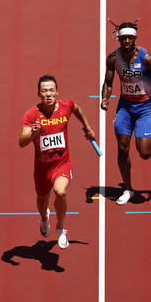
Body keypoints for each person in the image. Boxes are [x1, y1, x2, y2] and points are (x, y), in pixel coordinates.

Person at [19, 75, 96, 249]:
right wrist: (34, 133)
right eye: (44, 91)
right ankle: (44, 217)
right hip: (41, 168)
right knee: (42, 200)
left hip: (62, 164)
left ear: (57, 92)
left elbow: (76, 109)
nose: (48, 94)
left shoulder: (65, 106)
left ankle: (61, 228)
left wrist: (88, 127)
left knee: (60, 192)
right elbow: (21, 142)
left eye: (51, 90)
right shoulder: (31, 115)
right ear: (39, 93)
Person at [101, 21, 151, 205]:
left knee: (145, 153)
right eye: (123, 37)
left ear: (135, 38)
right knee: (122, 149)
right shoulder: (113, 58)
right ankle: (127, 189)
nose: (126, 40)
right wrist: (105, 98)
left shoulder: (147, 58)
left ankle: (144, 131)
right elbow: (108, 82)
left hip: (144, 109)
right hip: (124, 107)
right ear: (119, 38)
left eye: (130, 38)